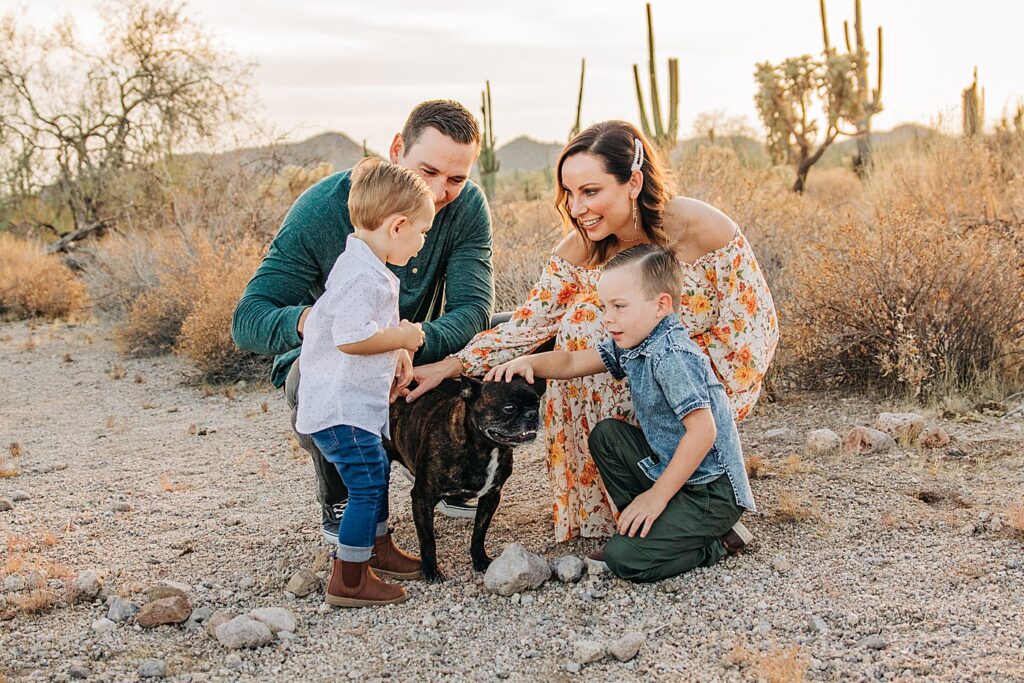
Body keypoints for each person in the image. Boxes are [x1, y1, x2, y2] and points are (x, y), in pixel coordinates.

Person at [408, 120, 778, 542]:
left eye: (591, 192)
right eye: (569, 193)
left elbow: (753, 327)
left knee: (625, 343)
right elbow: (528, 325)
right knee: (583, 326)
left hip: (690, 383)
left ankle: (691, 503)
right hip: (618, 379)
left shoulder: (699, 228)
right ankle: (619, 509)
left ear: (633, 182)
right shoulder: (580, 247)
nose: (577, 207)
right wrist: (451, 365)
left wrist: (691, 381)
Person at [232, 100, 496, 544]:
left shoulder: (466, 206)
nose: (437, 191)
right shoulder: (322, 209)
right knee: (304, 378)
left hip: (419, 349)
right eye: (427, 171)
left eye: (456, 178)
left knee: (507, 340)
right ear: (397, 149)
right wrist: (318, 323)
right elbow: (248, 319)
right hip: (339, 356)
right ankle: (341, 498)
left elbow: (473, 311)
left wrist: (408, 343)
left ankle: (457, 474)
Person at [486, 244, 755, 582]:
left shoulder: (671, 355)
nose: (607, 318)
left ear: (661, 306)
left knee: (623, 561)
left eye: (619, 306)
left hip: (711, 489)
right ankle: (647, 531)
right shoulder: (635, 341)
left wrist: (657, 497)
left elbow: (704, 432)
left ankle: (715, 543)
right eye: (604, 306)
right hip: (675, 472)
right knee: (608, 435)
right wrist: (527, 362)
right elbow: (572, 361)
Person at [296, 156, 430, 606]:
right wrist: (407, 335)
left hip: (354, 404)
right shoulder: (360, 275)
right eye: (422, 232)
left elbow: (368, 331)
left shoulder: (365, 265)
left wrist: (398, 352)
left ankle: (377, 549)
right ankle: (349, 579)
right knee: (367, 482)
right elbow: (352, 338)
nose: (423, 242)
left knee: (375, 472)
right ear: (397, 226)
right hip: (340, 409)